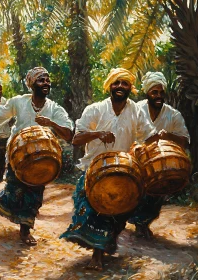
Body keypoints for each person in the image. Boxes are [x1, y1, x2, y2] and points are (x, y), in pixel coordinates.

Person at [60, 68, 158, 271]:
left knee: (119, 211)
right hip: (95, 168)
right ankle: (97, 253)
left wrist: (141, 147)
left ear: (131, 87)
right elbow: (76, 138)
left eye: (124, 83)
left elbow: (150, 136)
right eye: (116, 83)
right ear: (109, 86)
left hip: (123, 170)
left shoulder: (137, 111)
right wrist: (97, 134)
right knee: (95, 209)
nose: (120, 87)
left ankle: (104, 244)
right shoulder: (94, 109)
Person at [0, 67, 74, 246]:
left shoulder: (54, 108)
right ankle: (8, 204)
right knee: (14, 189)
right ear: (31, 84)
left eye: (47, 80)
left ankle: (25, 230)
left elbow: (68, 133)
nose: (46, 83)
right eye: (41, 80)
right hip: (18, 155)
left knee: (34, 194)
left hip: (42, 158)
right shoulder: (18, 102)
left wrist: (51, 123)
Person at [128, 72, 190, 239]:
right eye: (154, 92)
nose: (158, 96)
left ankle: (143, 223)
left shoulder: (173, 114)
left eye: (161, 92)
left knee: (159, 187)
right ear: (147, 93)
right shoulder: (135, 109)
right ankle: (133, 221)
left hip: (160, 162)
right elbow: (126, 133)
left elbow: (184, 140)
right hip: (135, 157)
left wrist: (168, 136)